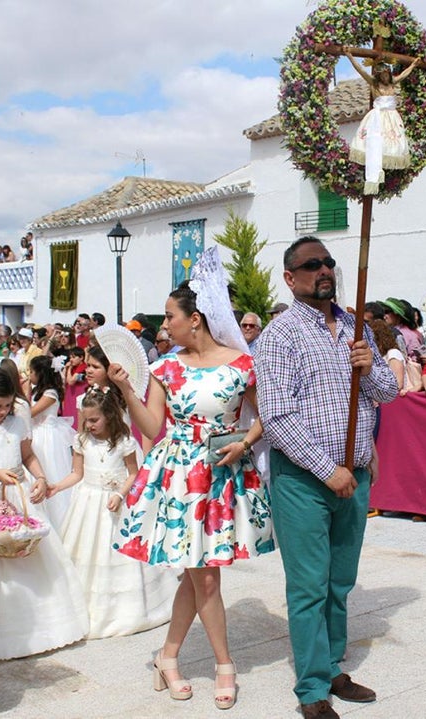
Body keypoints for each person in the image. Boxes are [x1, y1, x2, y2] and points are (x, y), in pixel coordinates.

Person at [112, 263, 273, 711]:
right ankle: (224, 665)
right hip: (180, 476)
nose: (165, 326)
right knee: (204, 574)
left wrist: (244, 443)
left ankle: (168, 657)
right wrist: (126, 390)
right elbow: (152, 427)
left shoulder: (242, 363)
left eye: (170, 317)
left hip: (222, 472)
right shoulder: (164, 367)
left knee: (198, 571)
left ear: (195, 319)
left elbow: (266, 415)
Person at [255, 236, 399, 719]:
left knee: (340, 581)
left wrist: (369, 366)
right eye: (310, 264)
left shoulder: (356, 328)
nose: (323, 270)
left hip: (353, 477)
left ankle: (333, 666)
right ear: (290, 277)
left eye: (328, 263)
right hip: (304, 480)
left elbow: (388, 392)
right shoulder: (280, 335)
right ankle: (313, 688)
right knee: (309, 587)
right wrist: (327, 469)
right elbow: (277, 417)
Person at [0, 368, 88, 661]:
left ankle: (38, 629)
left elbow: (28, 456)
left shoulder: (16, 423)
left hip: (18, 498)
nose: (3, 411)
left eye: (8, 405)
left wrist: (40, 478)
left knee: (28, 556)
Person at [46, 386, 175, 639]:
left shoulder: (124, 441)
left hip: (115, 502)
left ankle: (126, 608)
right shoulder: (81, 441)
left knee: (117, 552)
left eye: (94, 420)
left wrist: (120, 494)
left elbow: (133, 473)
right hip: (88, 502)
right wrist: (58, 486)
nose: (89, 425)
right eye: (86, 420)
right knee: (87, 550)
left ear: (109, 416)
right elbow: (77, 473)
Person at [344, 51, 421, 194]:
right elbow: (360, 70)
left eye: (387, 74)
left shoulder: (393, 83)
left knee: (392, 142)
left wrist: (413, 65)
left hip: (392, 117)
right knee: (375, 140)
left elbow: (404, 75)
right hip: (377, 117)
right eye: (383, 75)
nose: (385, 77)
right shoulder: (374, 84)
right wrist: (350, 56)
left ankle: (388, 166)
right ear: (379, 75)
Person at [27, 355, 76, 531]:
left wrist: (25, 391)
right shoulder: (37, 391)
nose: (29, 375)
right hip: (36, 433)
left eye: (31, 371)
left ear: (40, 373)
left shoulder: (50, 394)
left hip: (47, 437)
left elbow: (30, 412)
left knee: (50, 469)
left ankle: (57, 521)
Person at [61, 347, 88, 428]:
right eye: (70, 357)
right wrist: (65, 368)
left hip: (78, 394)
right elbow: (63, 380)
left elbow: (71, 381)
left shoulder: (83, 367)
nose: (71, 360)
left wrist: (69, 368)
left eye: (73, 357)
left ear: (81, 357)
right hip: (70, 395)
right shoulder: (73, 367)